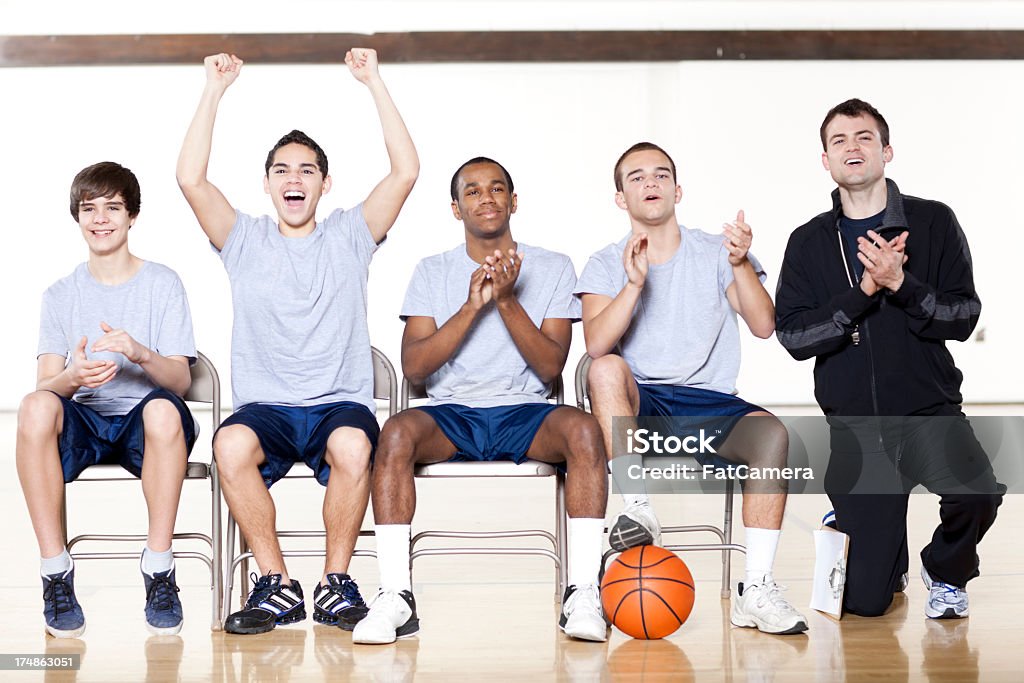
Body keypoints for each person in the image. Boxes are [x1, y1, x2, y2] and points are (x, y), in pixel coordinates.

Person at [176, 48, 418, 634]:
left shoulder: (351, 234)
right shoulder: (242, 238)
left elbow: (406, 171)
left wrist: (374, 82)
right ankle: (276, 583)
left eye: (307, 170)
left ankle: (335, 584)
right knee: (229, 446)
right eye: (282, 170)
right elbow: (189, 178)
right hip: (266, 407)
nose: (294, 178)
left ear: (325, 183)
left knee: (356, 448)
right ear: (266, 184)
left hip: (339, 401)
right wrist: (213, 90)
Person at [352, 157, 609, 645]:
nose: (485, 198)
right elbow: (416, 367)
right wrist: (473, 306)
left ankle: (582, 593)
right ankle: (395, 595)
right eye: (472, 191)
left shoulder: (553, 267)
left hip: (526, 412)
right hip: (451, 415)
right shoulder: (432, 271)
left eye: (496, 189)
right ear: (456, 208)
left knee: (584, 429)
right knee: (396, 432)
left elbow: (551, 366)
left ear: (514, 202)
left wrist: (507, 300)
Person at [775, 98, 1003, 619]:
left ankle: (945, 571)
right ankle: (873, 537)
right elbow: (793, 335)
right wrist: (862, 293)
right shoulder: (809, 242)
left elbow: (963, 315)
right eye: (839, 141)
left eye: (863, 138)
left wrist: (901, 285)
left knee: (978, 494)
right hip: (857, 425)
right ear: (826, 162)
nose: (851, 148)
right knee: (867, 602)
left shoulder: (934, 222)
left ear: (886, 151)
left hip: (929, 412)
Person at [576, 142, 808, 635]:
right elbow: (596, 343)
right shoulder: (604, 262)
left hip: (711, 405)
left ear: (677, 190)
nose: (650, 183)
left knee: (772, 435)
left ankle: (757, 588)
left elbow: (765, 326)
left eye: (660, 175)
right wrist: (635, 284)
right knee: (605, 370)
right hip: (645, 405)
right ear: (621, 198)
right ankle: (638, 510)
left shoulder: (718, 253)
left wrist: (743, 262)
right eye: (636, 178)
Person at [17, 161, 198, 638]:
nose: (100, 218)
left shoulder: (163, 283)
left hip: (150, 425)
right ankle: (55, 570)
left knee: (161, 406)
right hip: (87, 422)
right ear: (77, 217)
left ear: (132, 215)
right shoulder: (60, 294)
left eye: (113, 207)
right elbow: (44, 389)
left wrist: (139, 352)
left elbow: (179, 381)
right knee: (34, 405)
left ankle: (158, 567)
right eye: (89, 208)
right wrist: (72, 377)